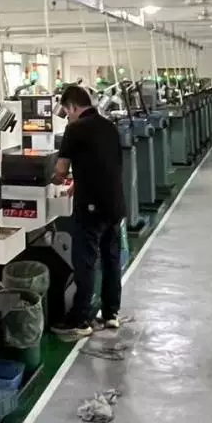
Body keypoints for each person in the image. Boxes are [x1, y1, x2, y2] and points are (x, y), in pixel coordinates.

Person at [52, 83, 126, 340]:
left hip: (91, 208)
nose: (67, 117)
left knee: (85, 262)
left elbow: (61, 170)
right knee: (111, 259)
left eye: (66, 112)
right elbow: (105, 164)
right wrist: (80, 183)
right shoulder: (109, 126)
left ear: (72, 107)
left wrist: (53, 179)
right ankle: (111, 313)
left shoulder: (75, 129)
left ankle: (80, 320)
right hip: (115, 204)